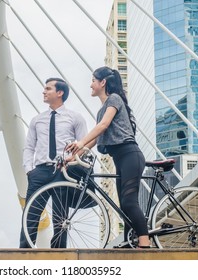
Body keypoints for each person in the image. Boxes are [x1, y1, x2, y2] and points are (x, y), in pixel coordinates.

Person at [67, 66, 150, 248]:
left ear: (102, 82)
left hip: (130, 154)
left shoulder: (114, 99)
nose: (90, 85)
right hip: (120, 159)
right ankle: (130, 243)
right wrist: (72, 157)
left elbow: (103, 126)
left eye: (93, 81)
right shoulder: (101, 110)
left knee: (129, 202)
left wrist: (79, 142)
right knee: (123, 207)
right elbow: (94, 140)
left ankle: (145, 246)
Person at [20, 77, 88, 248]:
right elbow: (29, 147)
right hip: (40, 171)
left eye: (48, 88)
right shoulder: (37, 120)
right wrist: (29, 170)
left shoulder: (75, 118)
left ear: (60, 93)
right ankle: (23, 253)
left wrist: (72, 161)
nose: (44, 91)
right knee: (30, 214)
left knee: (61, 217)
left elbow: (84, 144)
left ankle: (58, 255)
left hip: (63, 170)